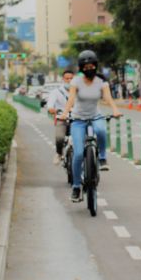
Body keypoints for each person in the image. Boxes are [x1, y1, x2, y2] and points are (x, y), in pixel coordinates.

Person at [60, 50, 123, 203]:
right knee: (79, 154)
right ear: (81, 68)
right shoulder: (76, 82)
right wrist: (65, 113)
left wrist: (115, 109)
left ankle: (102, 158)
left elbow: (107, 97)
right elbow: (71, 99)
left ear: (96, 65)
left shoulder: (102, 81)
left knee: (101, 130)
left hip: (96, 115)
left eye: (92, 66)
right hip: (78, 119)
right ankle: (76, 187)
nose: (89, 68)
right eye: (85, 66)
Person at [47, 69, 74, 164]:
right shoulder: (56, 92)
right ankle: (59, 153)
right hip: (62, 118)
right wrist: (53, 110)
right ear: (63, 79)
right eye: (67, 78)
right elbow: (50, 106)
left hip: (77, 119)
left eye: (72, 78)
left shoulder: (79, 91)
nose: (69, 80)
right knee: (59, 137)